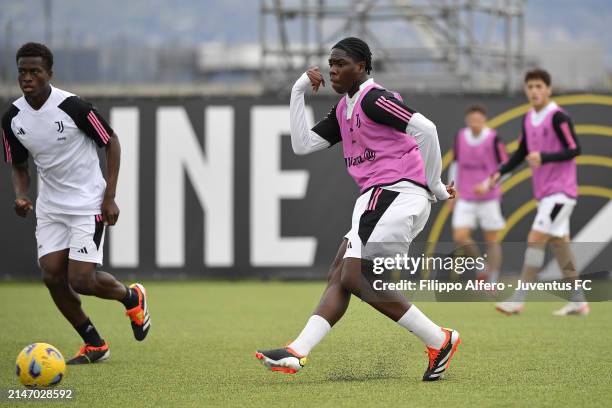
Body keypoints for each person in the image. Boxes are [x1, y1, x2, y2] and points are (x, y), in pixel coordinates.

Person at [255, 37, 460, 381]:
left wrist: (435, 186)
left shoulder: (374, 98)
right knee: (341, 271)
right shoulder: (343, 107)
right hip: (376, 198)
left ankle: (439, 339)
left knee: (354, 275)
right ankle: (297, 351)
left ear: (362, 66)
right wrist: (298, 90)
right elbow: (302, 144)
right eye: (330, 63)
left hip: (396, 193)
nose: (333, 70)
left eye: (341, 63)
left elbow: (427, 129)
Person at [2, 42, 151, 364]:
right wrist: (21, 194)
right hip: (51, 208)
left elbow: (110, 142)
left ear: (49, 74)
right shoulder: (12, 118)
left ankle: (132, 296)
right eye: (22, 72)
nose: (27, 78)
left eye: (35, 72)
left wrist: (109, 196)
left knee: (81, 280)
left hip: (88, 204)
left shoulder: (74, 108)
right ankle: (94, 343)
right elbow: (18, 164)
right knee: (52, 276)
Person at [490, 68, 588, 316]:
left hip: (561, 193)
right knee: (560, 245)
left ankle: (519, 298)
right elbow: (522, 152)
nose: (534, 91)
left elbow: (574, 149)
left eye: (539, 86)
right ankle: (578, 301)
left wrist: (544, 157)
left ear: (548, 89)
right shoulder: (528, 118)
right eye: (530, 87)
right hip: (545, 194)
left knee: (535, 239)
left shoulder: (558, 117)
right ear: (526, 90)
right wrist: (500, 172)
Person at [448, 105, 507, 283]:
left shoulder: (494, 139)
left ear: (484, 120)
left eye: (478, 120)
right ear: (467, 121)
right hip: (465, 196)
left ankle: (493, 281)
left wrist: (488, 185)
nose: (475, 123)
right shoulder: (460, 137)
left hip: (489, 199)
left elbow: (505, 168)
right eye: (472, 120)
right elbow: (455, 164)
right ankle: (481, 268)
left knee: (492, 241)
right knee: (459, 236)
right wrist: (453, 191)